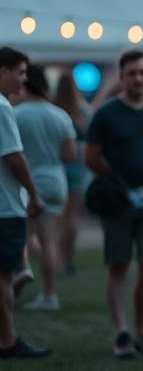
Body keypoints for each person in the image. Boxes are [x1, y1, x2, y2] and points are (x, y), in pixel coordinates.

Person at [85, 50, 143, 358]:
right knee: (118, 265)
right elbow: (91, 157)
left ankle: (140, 331)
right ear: (121, 77)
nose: (138, 78)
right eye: (132, 73)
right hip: (118, 202)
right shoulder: (106, 113)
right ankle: (121, 332)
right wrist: (116, 181)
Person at [0, 47, 50, 360]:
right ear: (2, 71)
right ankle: (7, 341)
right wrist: (33, 193)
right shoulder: (2, 107)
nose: (24, 78)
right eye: (19, 71)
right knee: (4, 277)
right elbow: (13, 157)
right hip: (4, 207)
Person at [14, 65, 76, 311]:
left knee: (24, 236)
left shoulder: (16, 114)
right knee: (49, 239)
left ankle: (23, 270)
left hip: (26, 183)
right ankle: (50, 294)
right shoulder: (60, 115)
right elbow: (70, 155)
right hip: (55, 181)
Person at [53, 71, 91, 276]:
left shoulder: (55, 108)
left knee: (58, 217)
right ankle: (68, 259)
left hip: (59, 164)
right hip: (78, 167)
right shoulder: (81, 110)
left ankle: (56, 258)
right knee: (72, 217)